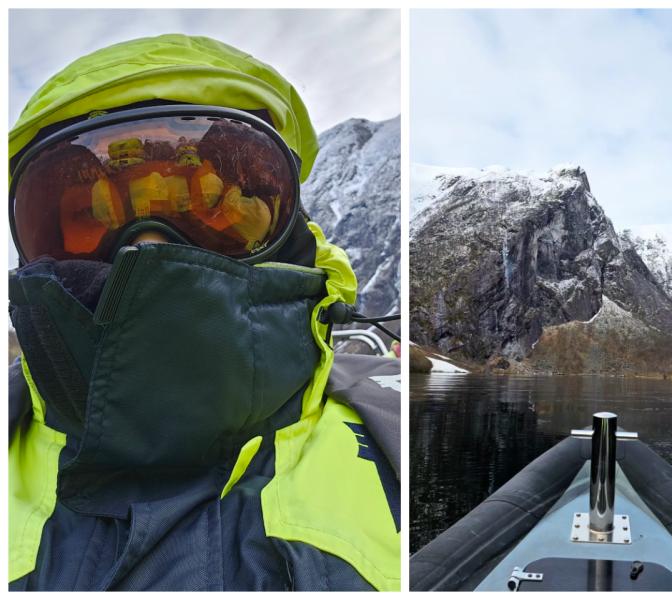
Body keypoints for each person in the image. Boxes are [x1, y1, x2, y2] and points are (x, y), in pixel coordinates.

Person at [8, 34, 400, 591]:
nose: (149, 250)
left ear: (290, 227)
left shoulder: (402, 439)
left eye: (204, 207)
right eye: (92, 215)